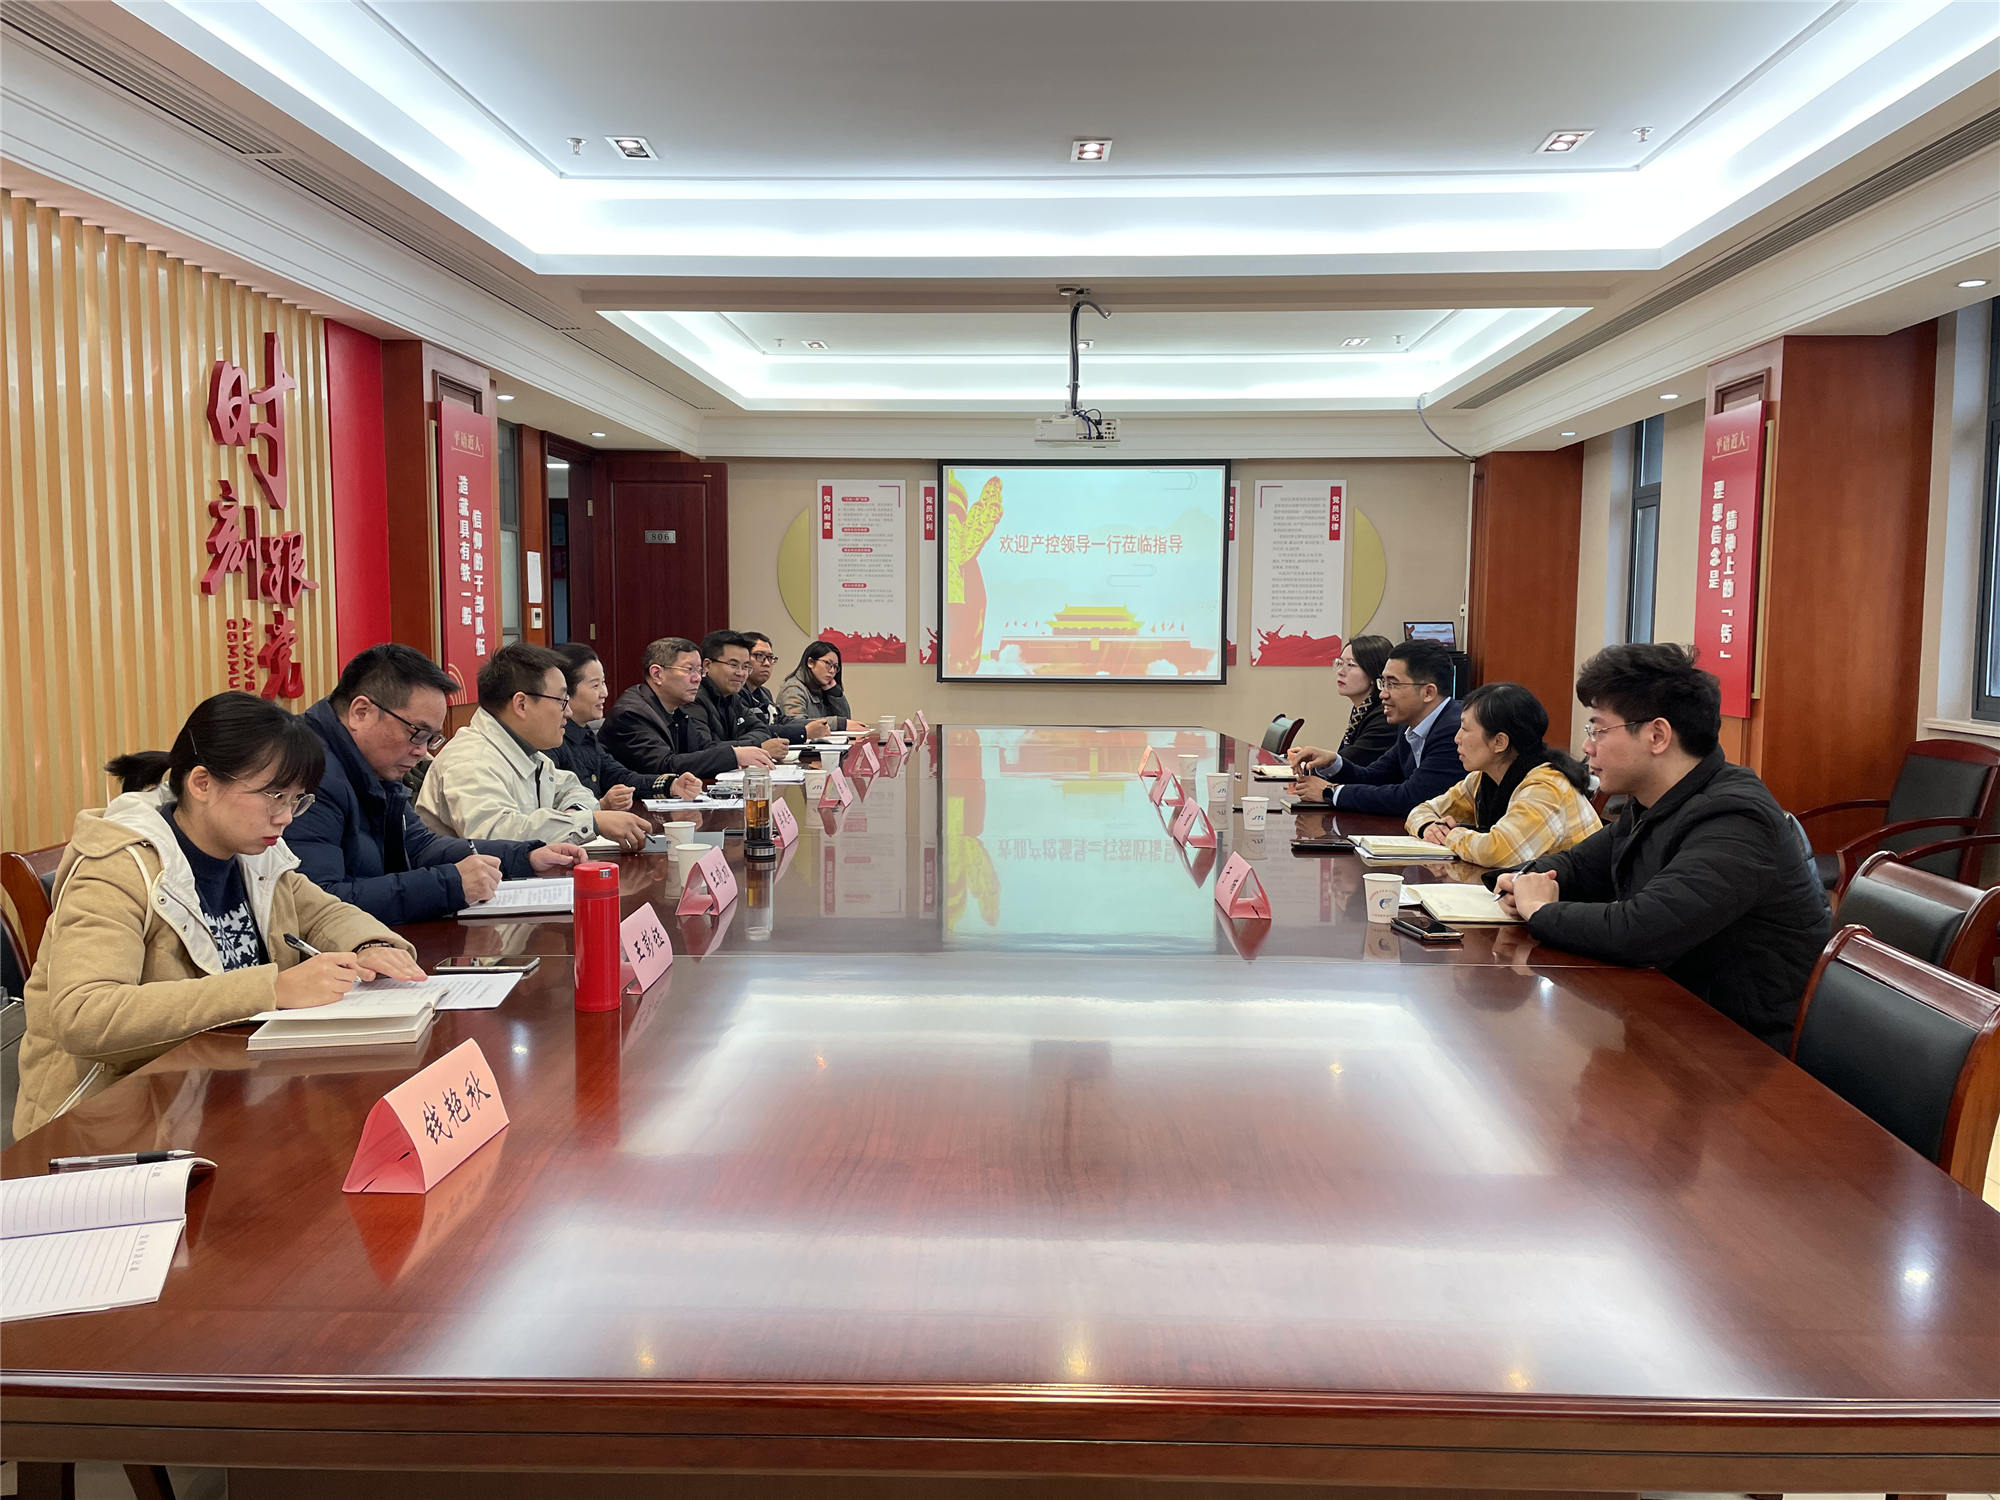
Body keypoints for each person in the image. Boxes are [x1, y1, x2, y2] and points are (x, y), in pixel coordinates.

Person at [15, 692, 426, 1136]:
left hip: (222, 1094)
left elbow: (323, 913)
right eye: (274, 796)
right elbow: (86, 1015)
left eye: (297, 800)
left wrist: (371, 945)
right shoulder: (117, 868)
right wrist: (272, 989)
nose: (286, 817)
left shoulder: (253, 854)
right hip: (109, 1124)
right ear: (202, 784)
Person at [1495, 643, 1831, 1049]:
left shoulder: (1736, 818)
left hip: (1742, 1048)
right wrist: (1525, 880)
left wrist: (1540, 910)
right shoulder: (1653, 801)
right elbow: (1580, 866)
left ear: (1657, 735)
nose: (1587, 746)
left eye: (1598, 729)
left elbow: (1639, 932)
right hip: (1671, 1017)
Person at [290, 644, 582, 925]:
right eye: (417, 734)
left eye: (431, 739)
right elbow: (318, 904)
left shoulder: (373, 766)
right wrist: (450, 885)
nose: (422, 752)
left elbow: (420, 846)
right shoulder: (307, 773)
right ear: (361, 712)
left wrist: (524, 858)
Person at [416, 644, 656, 852]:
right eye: (562, 701)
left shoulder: (526, 751)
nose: (568, 712)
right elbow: (495, 837)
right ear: (521, 704)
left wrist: (575, 813)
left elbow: (572, 788)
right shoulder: (471, 759)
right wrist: (591, 822)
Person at [1406, 682, 1600, 867]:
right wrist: (1429, 827)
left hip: (1578, 889)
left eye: (1465, 729)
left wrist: (1449, 835)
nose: (1457, 738)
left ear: (1499, 742)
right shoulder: (1483, 777)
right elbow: (1421, 810)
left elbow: (1496, 852)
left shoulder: (1546, 786)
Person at [1286, 639, 1464, 815]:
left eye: (1392, 684)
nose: (1383, 694)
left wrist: (1330, 793)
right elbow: (1373, 776)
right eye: (1383, 683)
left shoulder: (1455, 730)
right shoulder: (1408, 726)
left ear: (1428, 692)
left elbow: (1412, 798)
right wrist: (1333, 762)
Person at [550, 642, 705, 803]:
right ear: (563, 691)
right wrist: (600, 806)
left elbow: (620, 777)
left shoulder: (585, 734)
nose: (604, 693)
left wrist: (672, 785)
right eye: (595, 685)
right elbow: (554, 808)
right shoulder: (550, 741)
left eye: (603, 683)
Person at [602, 636, 773, 779]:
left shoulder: (677, 709)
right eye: (689, 670)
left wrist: (738, 754)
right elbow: (664, 766)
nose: (697, 678)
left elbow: (702, 749)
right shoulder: (633, 713)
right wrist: (733, 755)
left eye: (698, 670)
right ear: (657, 674)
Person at [1290, 634, 1397, 771]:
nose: (1340, 672)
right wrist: (1310, 757)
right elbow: (1343, 758)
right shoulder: (1361, 709)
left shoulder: (1385, 716)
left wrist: (1311, 762)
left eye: (1351, 665)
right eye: (1340, 663)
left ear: (1374, 672)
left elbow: (1350, 763)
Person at [690, 630, 804, 750]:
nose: (740, 673)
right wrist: (756, 746)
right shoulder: (693, 697)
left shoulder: (733, 697)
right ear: (707, 665)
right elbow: (704, 748)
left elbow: (762, 730)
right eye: (733, 665)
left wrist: (745, 745)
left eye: (745, 666)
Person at [739, 630, 836, 739]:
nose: (767, 663)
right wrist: (804, 731)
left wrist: (817, 724)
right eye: (759, 656)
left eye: (770, 658)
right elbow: (756, 730)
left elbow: (781, 720)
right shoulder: (736, 695)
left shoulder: (764, 693)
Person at [778, 641, 863, 728]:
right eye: (828, 663)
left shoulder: (824, 686)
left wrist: (835, 694)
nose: (832, 671)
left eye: (835, 667)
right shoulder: (793, 688)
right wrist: (838, 723)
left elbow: (847, 721)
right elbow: (795, 724)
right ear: (810, 662)